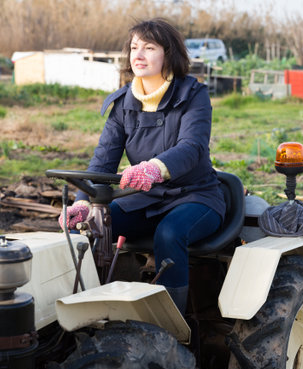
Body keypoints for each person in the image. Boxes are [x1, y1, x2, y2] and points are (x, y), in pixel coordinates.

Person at [58, 18, 226, 315]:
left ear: (169, 53)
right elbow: (103, 160)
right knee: (94, 229)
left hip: (195, 196)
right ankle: (92, 311)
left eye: (149, 47)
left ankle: (172, 326)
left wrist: (154, 168)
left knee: (169, 233)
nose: (138, 54)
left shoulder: (193, 95)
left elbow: (192, 147)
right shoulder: (123, 103)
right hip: (144, 198)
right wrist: (83, 203)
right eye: (134, 47)